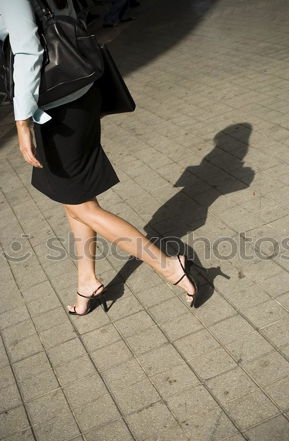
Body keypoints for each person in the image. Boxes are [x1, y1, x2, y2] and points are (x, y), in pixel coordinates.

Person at [0, 0, 198, 316]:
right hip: (78, 90)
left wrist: (21, 123)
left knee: (82, 206)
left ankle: (168, 265)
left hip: (58, 106)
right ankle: (87, 281)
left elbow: (27, 50)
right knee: (74, 200)